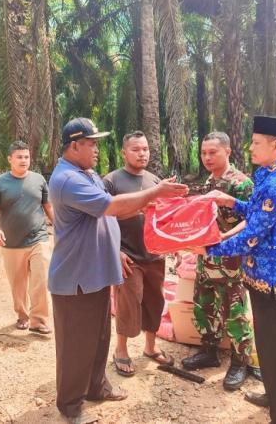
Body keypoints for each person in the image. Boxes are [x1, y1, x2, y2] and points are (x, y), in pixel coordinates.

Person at [48, 118, 188, 424]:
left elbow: (118, 208)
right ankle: (70, 407)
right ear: (75, 145)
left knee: (98, 338)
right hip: (76, 280)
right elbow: (110, 207)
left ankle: (96, 388)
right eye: (92, 143)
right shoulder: (68, 180)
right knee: (76, 345)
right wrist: (155, 193)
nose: (97, 149)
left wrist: (147, 205)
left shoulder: (85, 173)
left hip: (94, 274)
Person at [195, 116, 276, 424]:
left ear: (274, 145)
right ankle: (274, 395)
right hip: (263, 272)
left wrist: (208, 249)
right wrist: (231, 200)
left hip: (273, 277)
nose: (250, 147)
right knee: (269, 343)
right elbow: (257, 212)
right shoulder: (269, 173)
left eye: (256, 143)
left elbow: (251, 235)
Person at [181, 132, 261, 390]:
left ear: (227, 151)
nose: (206, 158)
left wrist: (225, 237)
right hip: (206, 260)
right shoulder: (208, 183)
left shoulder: (242, 184)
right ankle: (209, 350)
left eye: (212, 152)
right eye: (203, 153)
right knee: (204, 306)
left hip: (231, 262)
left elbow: (252, 221)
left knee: (234, 312)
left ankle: (240, 362)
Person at [103, 131, 174, 377]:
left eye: (145, 149)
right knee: (127, 301)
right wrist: (116, 251)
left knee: (155, 300)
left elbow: (164, 217)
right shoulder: (111, 181)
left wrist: (169, 243)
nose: (142, 153)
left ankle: (150, 347)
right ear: (124, 152)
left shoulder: (156, 181)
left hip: (154, 254)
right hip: (128, 255)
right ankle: (120, 350)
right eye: (136, 149)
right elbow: (103, 219)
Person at [0, 140, 54, 334]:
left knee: (41, 279)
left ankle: (38, 320)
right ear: (10, 159)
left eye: (26, 157)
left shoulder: (39, 179)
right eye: (19, 157)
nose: (24, 160)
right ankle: (22, 315)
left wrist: (60, 226)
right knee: (18, 284)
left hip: (38, 238)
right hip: (11, 243)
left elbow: (47, 206)